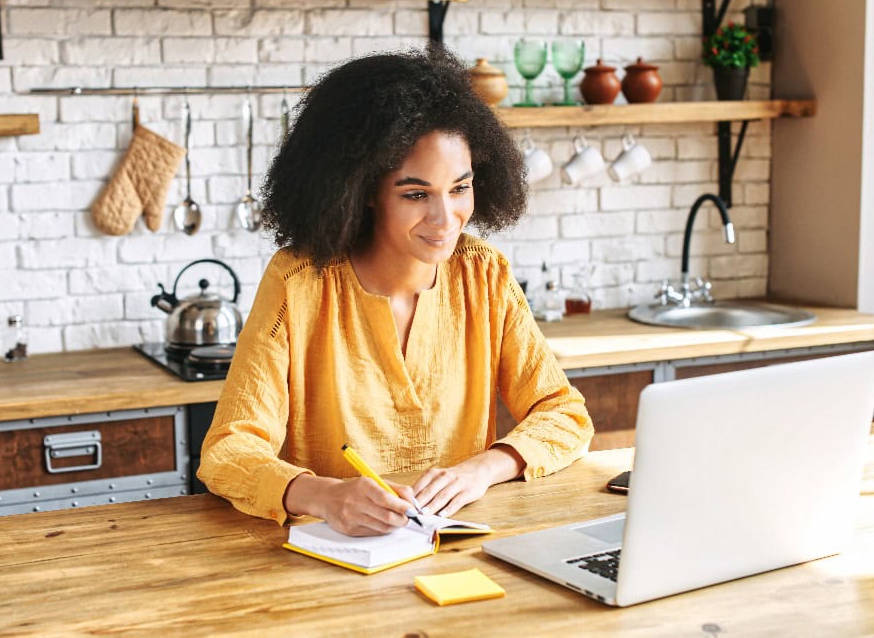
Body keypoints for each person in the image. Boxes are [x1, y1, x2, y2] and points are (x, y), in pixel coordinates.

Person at [198, 48, 593, 537]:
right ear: (361, 189)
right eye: (415, 194)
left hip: (462, 549)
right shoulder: (298, 283)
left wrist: (484, 469)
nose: (445, 218)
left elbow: (564, 413)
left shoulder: (484, 274)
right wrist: (324, 495)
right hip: (336, 558)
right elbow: (228, 451)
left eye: (459, 188)